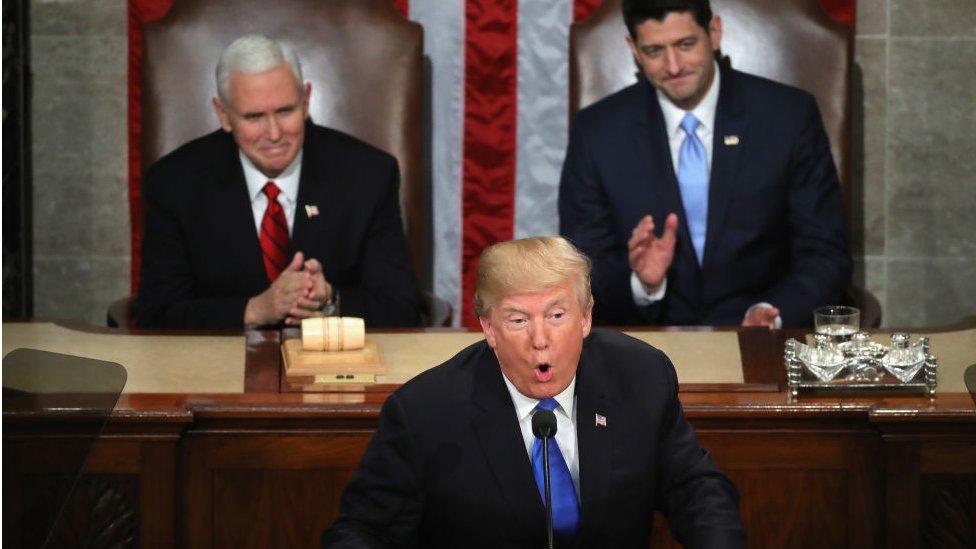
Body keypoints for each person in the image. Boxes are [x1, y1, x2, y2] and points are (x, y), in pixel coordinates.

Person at [321, 236, 744, 548]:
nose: (540, 340)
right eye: (518, 320)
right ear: (488, 328)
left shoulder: (640, 377)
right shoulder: (426, 412)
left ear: (585, 318)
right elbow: (361, 531)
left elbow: (695, 490)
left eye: (557, 315)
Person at [558, 0, 852, 328]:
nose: (673, 66)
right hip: (645, 343)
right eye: (655, 50)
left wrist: (774, 312)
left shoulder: (787, 117)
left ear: (714, 33)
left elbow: (825, 253)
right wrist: (643, 284)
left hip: (762, 342)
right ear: (634, 50)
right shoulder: (597, 132)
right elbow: (582, 263)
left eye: (685, 45)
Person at [135, 35, 422, 329]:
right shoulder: (175, 184)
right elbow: (156, 313)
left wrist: (331, 302)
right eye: (254, 117)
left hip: (331, 367)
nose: (274, 134)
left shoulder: (367, 175)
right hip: (218, 368)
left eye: (285, 111)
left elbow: (402, 307)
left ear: (306, 100)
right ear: (224, 115)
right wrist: (255, 310)